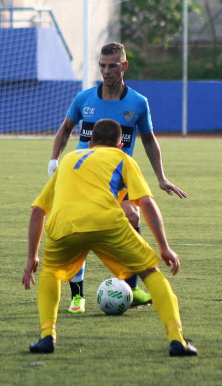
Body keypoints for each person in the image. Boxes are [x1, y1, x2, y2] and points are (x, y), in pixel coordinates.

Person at [23, 119, 198, 357]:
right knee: (149, 272)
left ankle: (46, 337)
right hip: (107, 223)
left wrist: (32, 257)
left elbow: (38, 211)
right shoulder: (123, 158)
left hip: (63, 226)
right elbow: (146, 202)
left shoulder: (68, 160)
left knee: (50, 273)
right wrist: (164, 248)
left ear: (91, 142)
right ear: (119, 146)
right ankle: (177, 339)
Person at [48, 42, 187, 314]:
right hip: (83, 179)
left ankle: (129, 288)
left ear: (124, 66)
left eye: (112, 65)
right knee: (79, 229)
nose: (106, 71)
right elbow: (65, 130)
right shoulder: (84, 99)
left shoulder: (137, 103)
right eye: (102, 65)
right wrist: (54, 161)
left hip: (117, 179)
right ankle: (78, 295)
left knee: (133, 217)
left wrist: (161, 177)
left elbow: (149, 140)